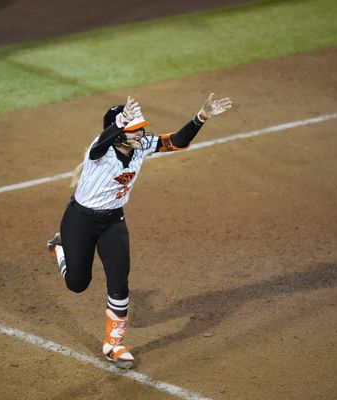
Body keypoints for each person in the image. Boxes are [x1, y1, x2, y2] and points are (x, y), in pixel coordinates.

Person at [47, 93, 232, 369]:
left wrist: (201, 116)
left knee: (120, 282)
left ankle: (114, 345)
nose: (141, 134)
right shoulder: (98, 152)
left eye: (140, 128)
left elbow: (177, 141)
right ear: (119, 133)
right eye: (134, 130)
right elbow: (102, 143)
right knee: (77, 284)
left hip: (113, 222)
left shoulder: (141, 145)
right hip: (79, 222)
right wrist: (120, 121)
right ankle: (60, 248)